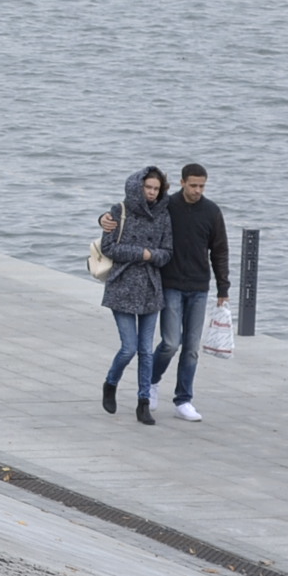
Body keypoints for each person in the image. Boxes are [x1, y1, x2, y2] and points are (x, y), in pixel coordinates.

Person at [101, 161, 231, 421]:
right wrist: (105, 220)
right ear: (182, 183)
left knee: (188, 347)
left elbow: (219, 251)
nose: (197, 190)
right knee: (165, 344)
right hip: (161, 285)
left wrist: (223, 287)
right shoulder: (166, 206)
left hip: (187, 286)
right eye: (193, 185)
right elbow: (120, 230)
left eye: (202, 186)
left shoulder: (209, 211)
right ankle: (137, 383)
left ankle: (176, 400)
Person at [97, 167, 173, 425]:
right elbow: (108, 247)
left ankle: (143, 403)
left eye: (156, 189)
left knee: (146, 351)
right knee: (129, 348)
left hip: (151, 289)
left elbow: (167, 252)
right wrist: (141, 253)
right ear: (138, 187)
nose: (151, 193)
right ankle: (111, 383)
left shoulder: (163, 215)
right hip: (122, 287)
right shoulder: (119, 210)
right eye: (148, 187)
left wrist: (154, 256)